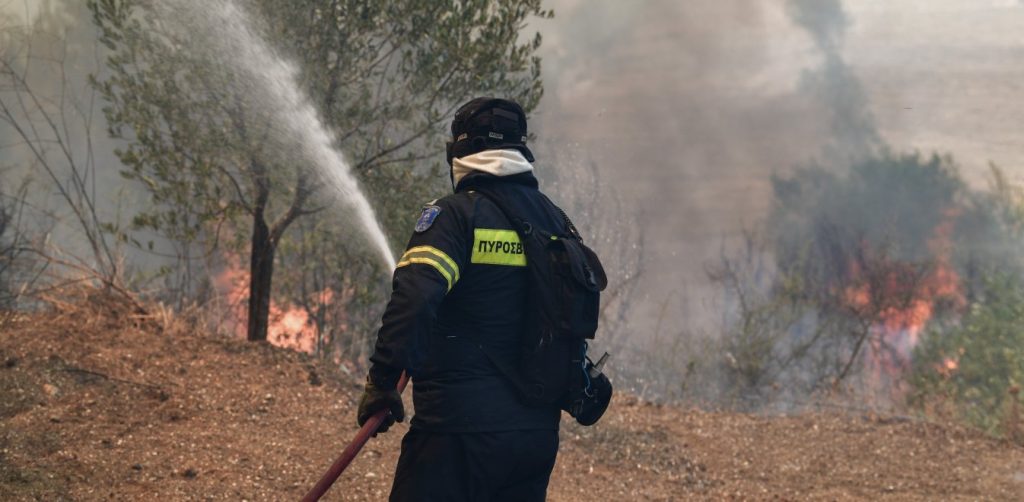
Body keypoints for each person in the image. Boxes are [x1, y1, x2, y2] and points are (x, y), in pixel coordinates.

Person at [357, 97, 575, 502]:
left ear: (460, 151)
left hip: (457, 433)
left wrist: (383, 381)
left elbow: (417, 297)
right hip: (534, 437)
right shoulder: (556, 222)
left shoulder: (455, 217)